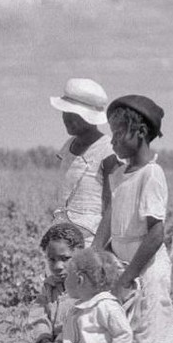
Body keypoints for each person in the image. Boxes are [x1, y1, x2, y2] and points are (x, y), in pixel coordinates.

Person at [93, 94, 173, 343]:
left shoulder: (151, 174)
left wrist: (127, 278)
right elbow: (110, 217)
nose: (113, 139)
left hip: (146, 267)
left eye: (119, 132)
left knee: (149, 335)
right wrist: (94, 253)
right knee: (123, 336)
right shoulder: (119, 175)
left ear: (140, 132)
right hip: (123, 265)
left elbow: (155, 234)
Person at [30, 248, 133, 343]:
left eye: (67, 277)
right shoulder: (78, 306)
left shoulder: (107, 306)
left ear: (79, 280)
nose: (64, 281)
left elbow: (124, 335)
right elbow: (70, 331)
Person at [50, 78, 118, 242]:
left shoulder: (108, 151)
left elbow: (112, 207)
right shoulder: (68, 146)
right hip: (62, 238)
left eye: (74, 114)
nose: (67, 118)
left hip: (90, 241)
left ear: (90, 117)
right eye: (65, 112)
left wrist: (96, 249)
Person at [30, 222, 85, 343]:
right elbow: (39, 315)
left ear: (80, 255)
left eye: (65, 259)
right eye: (52, 259)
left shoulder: (86, 289)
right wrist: (44, 339)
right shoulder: (49, 286)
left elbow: (80, 323)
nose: (57, 266)